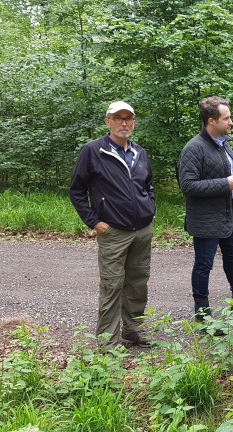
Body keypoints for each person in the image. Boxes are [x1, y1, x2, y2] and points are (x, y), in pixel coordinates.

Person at [69, 101, 155, 350]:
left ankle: (133, 330)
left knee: (138, 283)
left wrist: (150, 209)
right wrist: (95, 222)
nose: (124, 123)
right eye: (118, 118)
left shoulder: (140, 152)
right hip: (113, 231)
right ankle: (107, 343)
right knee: (112, 285)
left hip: (142, 229)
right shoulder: (93, 151)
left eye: (129, 118)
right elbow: (76, 190)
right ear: (108, 122)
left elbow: (147, 186)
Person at [178, 96, 233, 323]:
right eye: (227, 118)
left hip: (228, 213)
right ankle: (202, 313)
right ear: (211, 121)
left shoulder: (223, 143)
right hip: (205, 218)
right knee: (204, 265)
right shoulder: (194, 148)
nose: (231, 122)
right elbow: (188, 185)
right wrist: (225, 184)